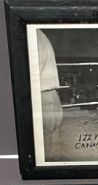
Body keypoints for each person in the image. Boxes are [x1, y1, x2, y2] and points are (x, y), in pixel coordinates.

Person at [37, 29, 63, 160]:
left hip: (42, 97)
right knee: (52, 148)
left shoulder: (33, 35)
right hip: (51, 95)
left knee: (45, 153)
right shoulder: (41, 35)